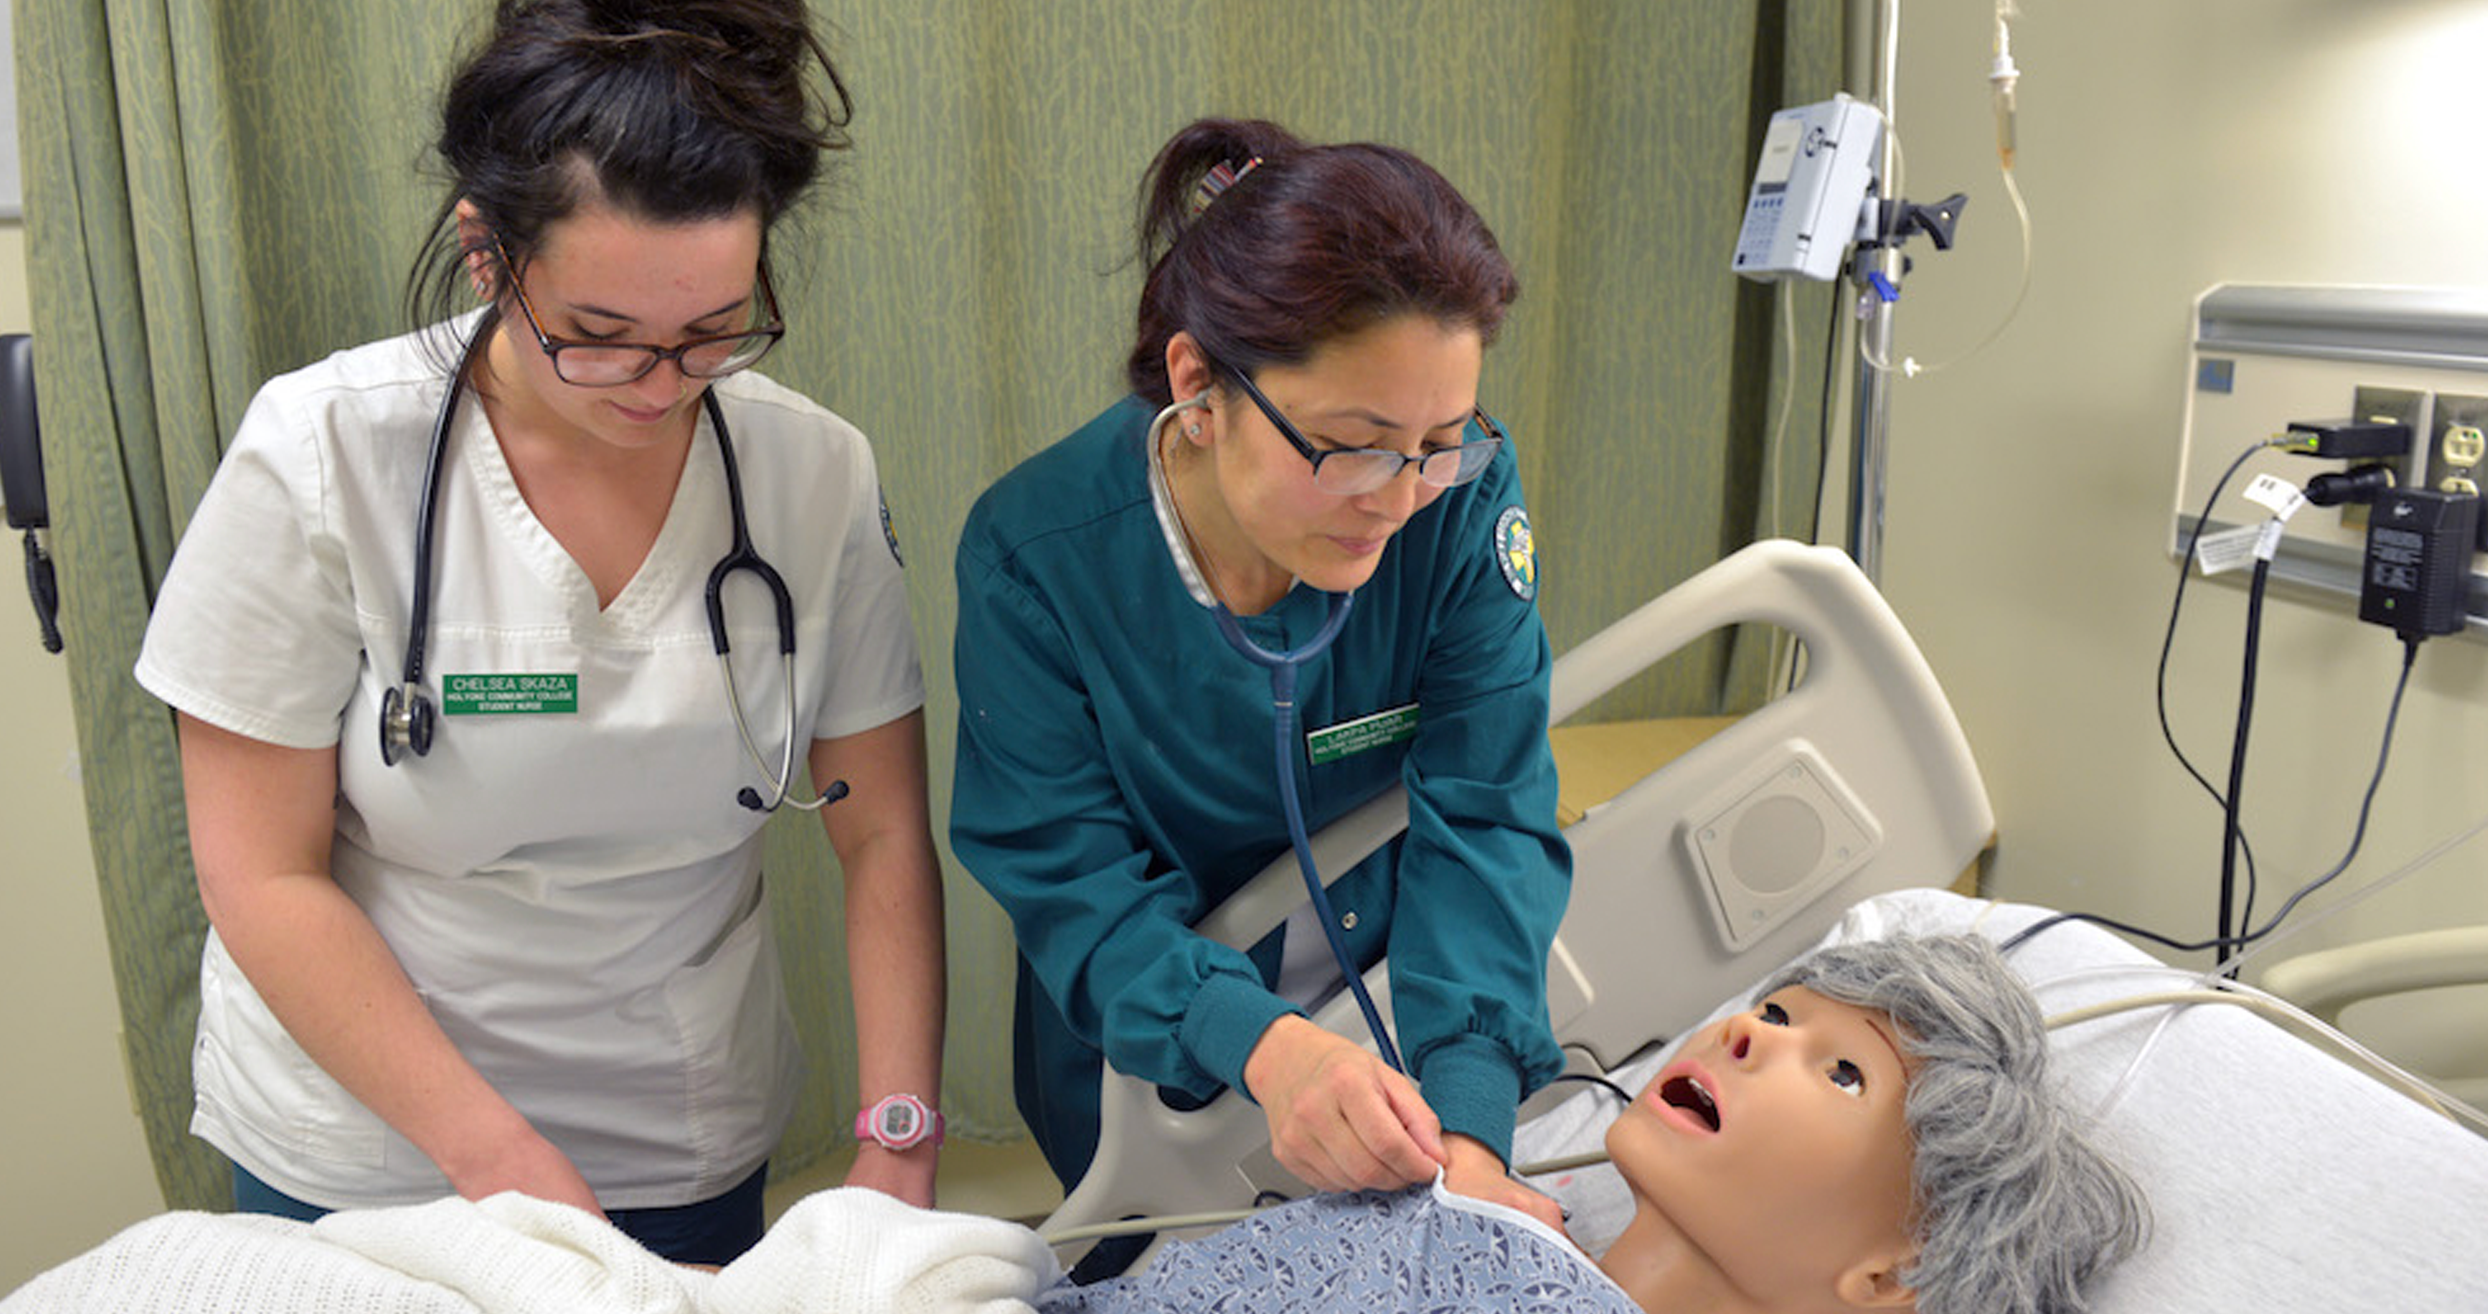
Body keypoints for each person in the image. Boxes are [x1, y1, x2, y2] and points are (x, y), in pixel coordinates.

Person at [131, 0, 945, 1265]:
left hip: (678, 1133)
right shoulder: (321, 453)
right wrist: (499, 1160)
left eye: (712, 331)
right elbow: (262, 874)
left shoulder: (810, 473)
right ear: (485, 251)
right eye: (601, 338)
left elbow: (882, 828)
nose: (663, 386)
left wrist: (899, 1133)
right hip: (368, 1150)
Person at [950, 117, 1571, 1224]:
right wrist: (1264, 1050)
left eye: (1440, 440)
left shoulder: (1461, 498)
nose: (1396, 497)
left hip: (1403, 1022)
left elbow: (1485, 807)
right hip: (1158, 1063)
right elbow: (1066, 878)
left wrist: (1471, 1126)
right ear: (1200, 384)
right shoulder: (1038, 556)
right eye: (1353, 444)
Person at [1036, 933, 2150, 1313]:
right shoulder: (1472, 1224)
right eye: (1773, 1008)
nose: (1748, 1035)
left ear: (1893, 1272)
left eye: (1844, 1073)